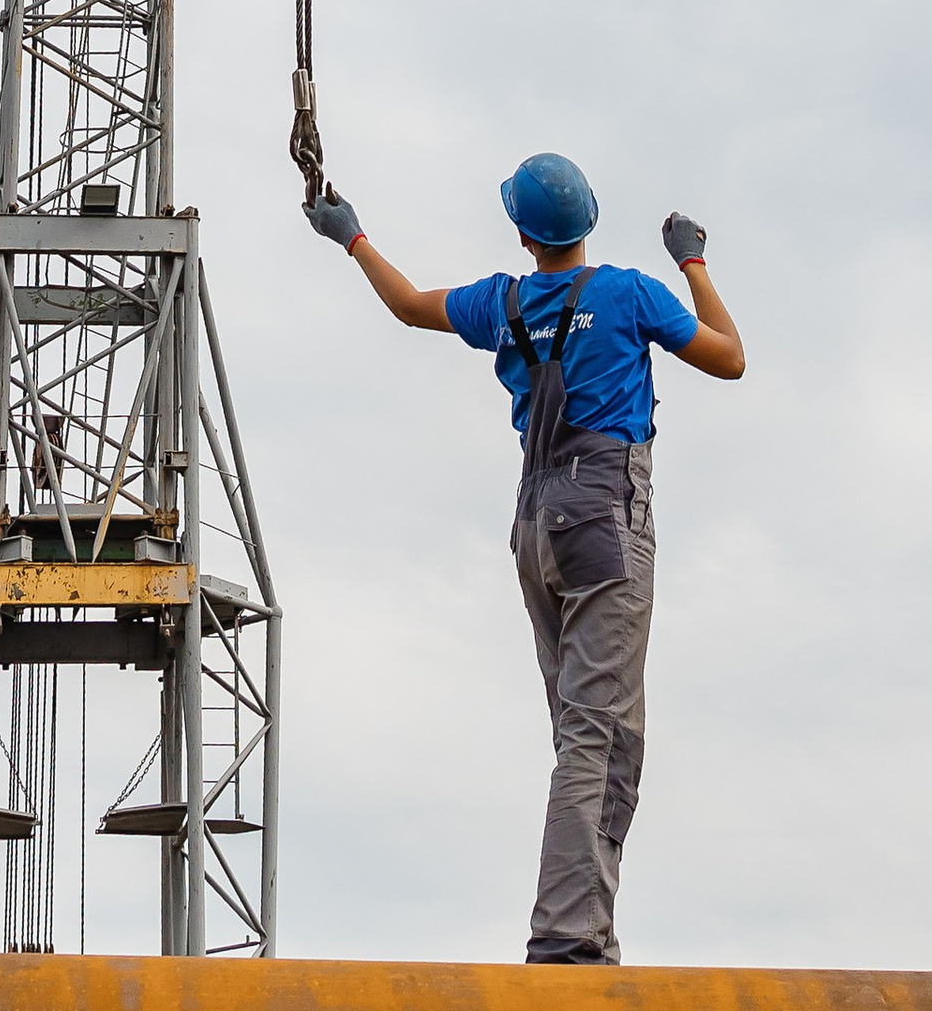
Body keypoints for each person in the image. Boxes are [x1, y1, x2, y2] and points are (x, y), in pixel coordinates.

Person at [305, 151, 744, 964]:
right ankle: (569, 946)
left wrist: (352, 236)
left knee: (604, 737)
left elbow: (408, 306)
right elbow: (729, 354)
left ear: (520, 230)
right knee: (594, 736)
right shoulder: (626, 291)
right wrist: (694, 260)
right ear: (591, 222)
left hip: (537, 519)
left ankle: (588, 932)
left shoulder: (503, 302)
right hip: (606, 510)